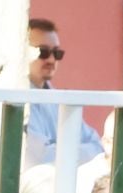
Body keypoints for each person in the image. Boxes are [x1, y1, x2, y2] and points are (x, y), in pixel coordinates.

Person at [23, 19, 106, 172]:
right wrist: (74, 148)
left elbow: (97, 146)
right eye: (43, 52)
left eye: (56, 53)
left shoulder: (59, 100)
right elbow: (37, 158)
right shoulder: (19, 101)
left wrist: (57, 149)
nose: (51, 59)